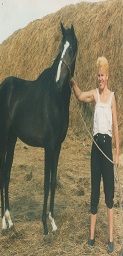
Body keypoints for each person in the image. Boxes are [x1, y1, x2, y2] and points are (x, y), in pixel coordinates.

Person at [70, 56, 119, 254]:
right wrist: (72, 82)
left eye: (103, 75)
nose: (100, 78)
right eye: (98, 75)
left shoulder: (112, 97)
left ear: (107, 77)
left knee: (109, 194)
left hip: (107, 148)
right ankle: (91, 237)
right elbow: (81, 96)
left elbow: (115, 125)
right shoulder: (94, 95)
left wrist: (117, 151)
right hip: (95, 148)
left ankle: (110, 239)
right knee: (94, 193)